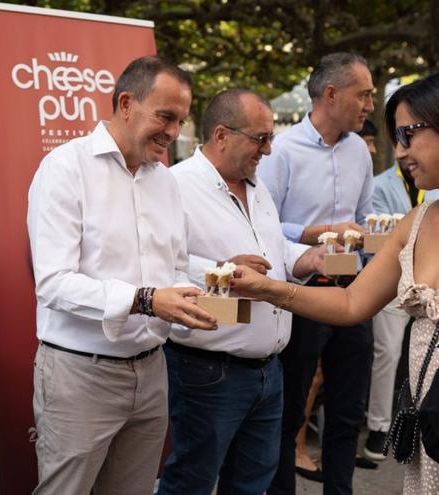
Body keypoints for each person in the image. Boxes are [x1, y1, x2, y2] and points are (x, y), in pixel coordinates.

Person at [232, 71, 439, 495]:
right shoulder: (416, 222)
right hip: (437, 432)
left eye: (408, 134)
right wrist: (267, 289)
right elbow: (351, 303)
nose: (400, 150)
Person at [27, 56, 217, 495]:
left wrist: (225, 274)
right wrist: (147, 299)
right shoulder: (64, 168)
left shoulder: (165, 181)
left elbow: (174, 265)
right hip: (80, 373)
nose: (173, 132)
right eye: (165, 117)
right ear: (127, 103)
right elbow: (53, 282)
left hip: (152, 370)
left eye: (181, 121)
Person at [157, 89, 324, 495]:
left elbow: (275, 252)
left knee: (252, 483)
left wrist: (309, 259)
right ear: (221, 135)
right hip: (208, 369)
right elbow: (158, 267)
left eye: (270, 138)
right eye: (260, 138)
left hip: (269, 369)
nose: (268, 150)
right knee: (191, 481)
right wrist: (221, 271)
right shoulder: (173, 185)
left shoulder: (257, 187)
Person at [257, 52, 374, 495]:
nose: (368, 105)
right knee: (290, 413)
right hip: (302, 292)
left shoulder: (360, 152)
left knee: (347, 411)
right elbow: (264, 223)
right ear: (331, 94)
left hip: (353, 291)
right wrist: (317, 233)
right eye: (363, 95)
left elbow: (363, 216)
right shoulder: (282, 151)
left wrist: (368, 237)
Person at [363, 127, 439, 461]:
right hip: (394, 283)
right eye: (399, 143)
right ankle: (378, 427)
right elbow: (377, 239)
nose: (404, 152)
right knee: (388, 353)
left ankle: (428, 423)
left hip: (435, 284)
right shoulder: (380, 185)